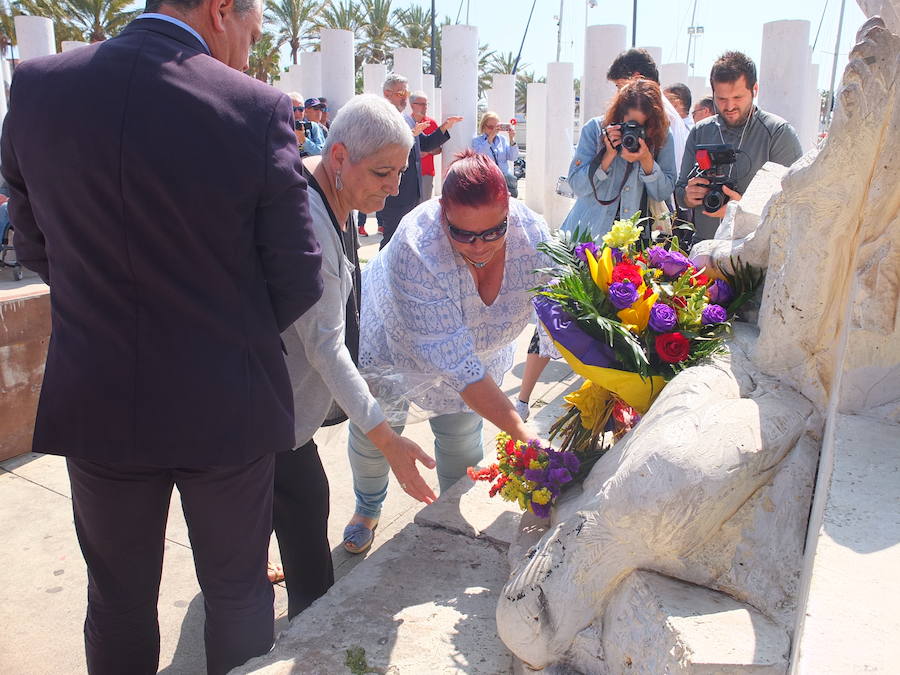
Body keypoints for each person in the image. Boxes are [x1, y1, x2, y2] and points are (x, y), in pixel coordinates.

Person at [0, 0, 323, 673]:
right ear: (219, 10)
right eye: (252, 31)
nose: (247, 49)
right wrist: (222, 334)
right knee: (237, 593)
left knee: (116, 598)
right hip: (226, 402)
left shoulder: (35, 88)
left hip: (97, 392)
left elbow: (34, 242)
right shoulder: (257, 108)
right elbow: (297, 275)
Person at [275, 94, 436, 609]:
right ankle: (312, 633)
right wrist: (387, 438)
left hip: (283, 406)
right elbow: (324, 343)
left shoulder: (336, 193)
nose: (395, 187)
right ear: (339, 157)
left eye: (400, 172)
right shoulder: (309, 225)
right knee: (304, 514)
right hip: (271, 409)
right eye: (383, 173)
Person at [343, 150, 548, 553]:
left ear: (510, 211)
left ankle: (452, 514)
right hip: (395, 348)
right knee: (377, 433)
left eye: (493, 231)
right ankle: (367, 507)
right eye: (463, 234)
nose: (479, 246)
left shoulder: (534, 234)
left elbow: (560, 317)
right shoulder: (416, 246)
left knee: (462, 438)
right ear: (442, 214)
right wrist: (523, 435)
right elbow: (456, 365)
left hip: (477, 356)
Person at [516, 79, 676, 420]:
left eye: (643, 126)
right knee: (553, 318)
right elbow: (577, 186)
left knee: (612, 328)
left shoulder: (663, 139)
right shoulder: (595, 130)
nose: (635, 131)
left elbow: (665, 188)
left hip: (630, 248)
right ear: (617, 115)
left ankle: (601, 408)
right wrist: (608, 154)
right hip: (585, 240)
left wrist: (646, 157)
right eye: (629, 123)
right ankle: (523, 399)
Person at [675, 51, 803, 244]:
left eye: (738, 97)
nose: (729, 106)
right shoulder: (700, 132)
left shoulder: (778, 134)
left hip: (754, 256)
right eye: (722, 99)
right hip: (703, 249)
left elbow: (795, 203)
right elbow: (679, 191)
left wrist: (741, 210)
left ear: (755, 89)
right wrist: (687, 196)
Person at [376, 73, 462, 249]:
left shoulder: (407, 119)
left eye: (406, 94)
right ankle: (380, 274)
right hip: (394, 192)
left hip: (411, 191)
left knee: (406, 237)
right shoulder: (380, 117)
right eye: (400, 94)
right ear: (387, 93)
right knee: (391, 238)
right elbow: (383, 149)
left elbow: (425, 144)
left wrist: (444, 127)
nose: (405, 98)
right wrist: (409, 135)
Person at [608, 48, 689, 170]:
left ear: (637, 79)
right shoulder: (665, 110)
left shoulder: (660, 115)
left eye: (620, 87)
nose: (618, 95)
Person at [471, 110, 520, 198]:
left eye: (496, 127)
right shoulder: (477, 141)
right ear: (483, 126)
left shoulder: (503, 140)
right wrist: (489, 139)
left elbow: (513, 157)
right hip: (487, 179)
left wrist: (512, 139)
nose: (494, 130)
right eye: (490, 127)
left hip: (504, 178)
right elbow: (478, 156)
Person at [410, 90, 439, 201]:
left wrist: (428, 152)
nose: (425, 107)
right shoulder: (406, 122)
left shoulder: (431, 123)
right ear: (412, 105)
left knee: (423, 204)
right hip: (409, 172)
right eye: (422, 104)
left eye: (426, 104)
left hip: (426, 172)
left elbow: (439, 149)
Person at [288, 92, 325, 156]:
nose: (297, 113)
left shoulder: (312, 127)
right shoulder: (280, 128)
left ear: (304, 111)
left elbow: (322, 153)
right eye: (293, 109)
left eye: (300, 109)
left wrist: (304, 141)